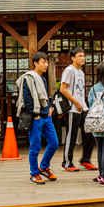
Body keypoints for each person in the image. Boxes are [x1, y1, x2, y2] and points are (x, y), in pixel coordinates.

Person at [16, 52, 59, 184]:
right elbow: (27, 99)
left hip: (47, 116)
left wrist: (50, 107)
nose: (46, 65)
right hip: (36, 118)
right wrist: (36, 116)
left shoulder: (43, 79)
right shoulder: (29, 78)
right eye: (43, 62)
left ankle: (44, 167)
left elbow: (45, 96)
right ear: (35, 63)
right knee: (35, 147)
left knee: (54, 143)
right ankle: (33, 174)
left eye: (47, 62)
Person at [61, 47, 97, 172]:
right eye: (79, 56)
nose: (83, 58)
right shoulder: (69, 70)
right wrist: (75, 102)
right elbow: (63, 89)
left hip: (83, 107)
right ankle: (67, 163)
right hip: (73, 108)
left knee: (90, 132)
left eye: (83, 55)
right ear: (72, 58)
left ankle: (85, 160)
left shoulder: (80, 72)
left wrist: (82, 103)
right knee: (72, 135)